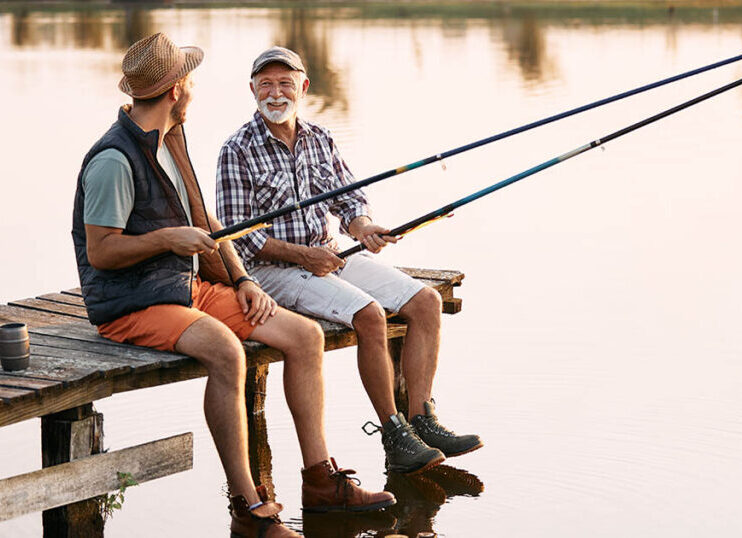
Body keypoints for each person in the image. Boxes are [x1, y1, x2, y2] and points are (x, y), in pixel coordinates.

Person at [71, 34, 394, 538]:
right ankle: (249, 509)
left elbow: (208, 223)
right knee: (228, 352)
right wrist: (167, 238)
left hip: (182, 289)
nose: (195, 88)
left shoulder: (169, 141)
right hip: (130, 303)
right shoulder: (114, 159)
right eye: (191, 79)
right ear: (176, 89)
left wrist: (242, 279)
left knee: (304, 337)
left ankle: (320, 482)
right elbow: (101, 251)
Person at [216, 46, 483, 477]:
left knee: (426, 303)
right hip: (272, 271)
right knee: (370, 315)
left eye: (285, 83)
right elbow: (237, 237)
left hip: (329, 255)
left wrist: (362, 228)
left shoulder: (319, 138)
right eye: (266, 84)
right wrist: (305, 256)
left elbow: (349, 197)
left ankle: (422, 420)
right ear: (252, 90)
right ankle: (393, 434)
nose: (276, 93)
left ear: (303, 87)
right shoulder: (236, 149)